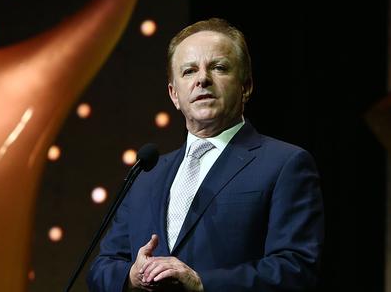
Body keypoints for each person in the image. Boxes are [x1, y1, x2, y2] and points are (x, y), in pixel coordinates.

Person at [87, 18, 324, 291]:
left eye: (219, 68)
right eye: (188, 71)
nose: (202, 79)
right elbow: (102, 268)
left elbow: (296, 269)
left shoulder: (285, 164)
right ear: (174, 95)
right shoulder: (146, 175)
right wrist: (132, 276)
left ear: (245, 86)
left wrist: (202, 284)